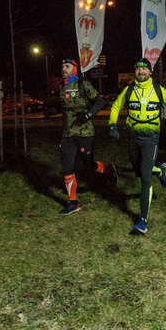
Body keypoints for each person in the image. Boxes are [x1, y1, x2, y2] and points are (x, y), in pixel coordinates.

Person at [108, 58, 166, 235]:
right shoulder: (129, 90)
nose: (141, 72)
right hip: (133, 136)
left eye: (144, 69)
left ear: (150, 72)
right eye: (138, 69)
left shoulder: (158, 90)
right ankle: (160, 170)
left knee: (145, 178)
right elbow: (115, 107)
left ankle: (142, 220)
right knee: (138, 170)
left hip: (151, 137)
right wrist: (112, 125)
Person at [57, 59, 116, 214]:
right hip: (68, 133)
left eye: (67, 66)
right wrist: (53, 111)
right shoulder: (61, 86)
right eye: (62, 66)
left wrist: (88, 115)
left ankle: (107, 170)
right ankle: (73, 202)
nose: (63, 69)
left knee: (88, 165)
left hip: (85, 132)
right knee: (67, 167)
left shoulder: (83, 84)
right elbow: (64, 106)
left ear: (74, 69)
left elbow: (100, 102)